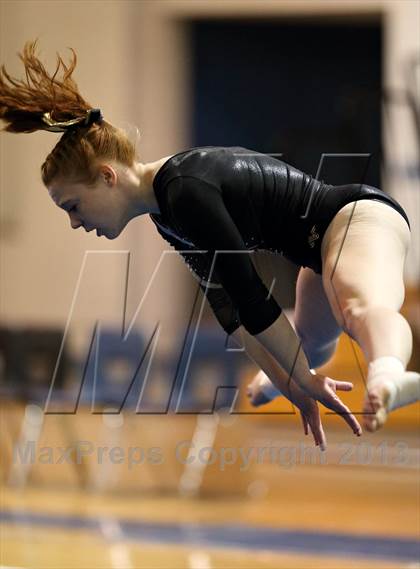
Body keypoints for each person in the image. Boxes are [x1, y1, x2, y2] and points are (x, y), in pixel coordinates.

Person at [1, 41, 418, 450]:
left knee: (357, 308)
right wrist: (296, 385)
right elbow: (233, 315)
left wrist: (300, 378)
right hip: (315, 248)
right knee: (310, 342)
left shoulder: (185, 189)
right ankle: (283, 381)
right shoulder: (168, 216)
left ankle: (388, 374)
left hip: (355, 217)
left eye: (73, 206)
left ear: (108, 176)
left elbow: (251, 295)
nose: (75, 222)